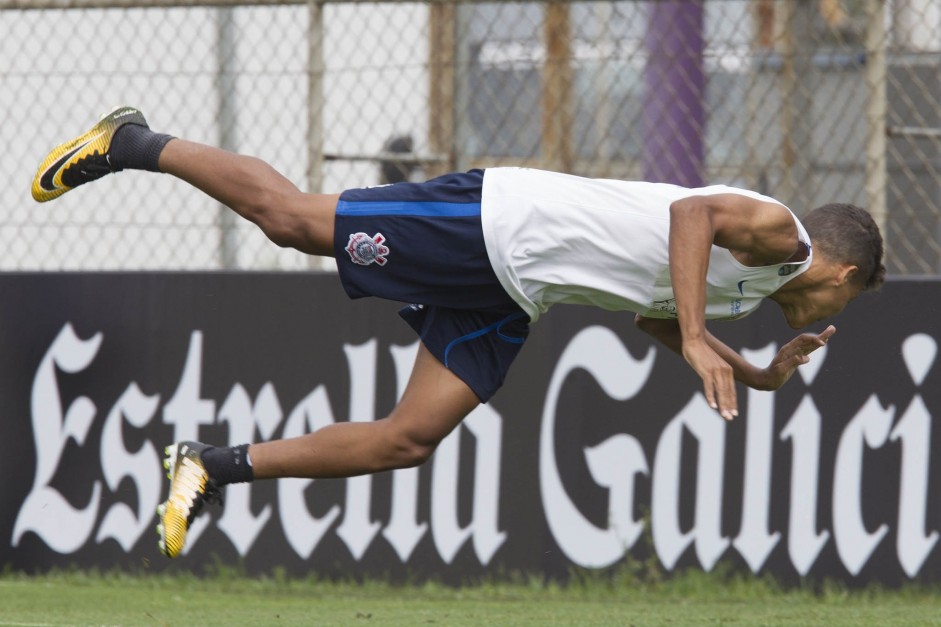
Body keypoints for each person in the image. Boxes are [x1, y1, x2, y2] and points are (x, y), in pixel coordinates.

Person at [31, 106, 885, 559]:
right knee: (290, 220)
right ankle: (132, 141)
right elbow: (692, 214)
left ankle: (209, 468)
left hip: (516, 291)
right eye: (844, 305)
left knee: (408, 439)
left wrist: (753, 369)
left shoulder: (753, 290)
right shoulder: (782, 233)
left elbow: (650, 311)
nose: (831, 319)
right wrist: (702, 336)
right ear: (842, 274)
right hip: (493, 221)